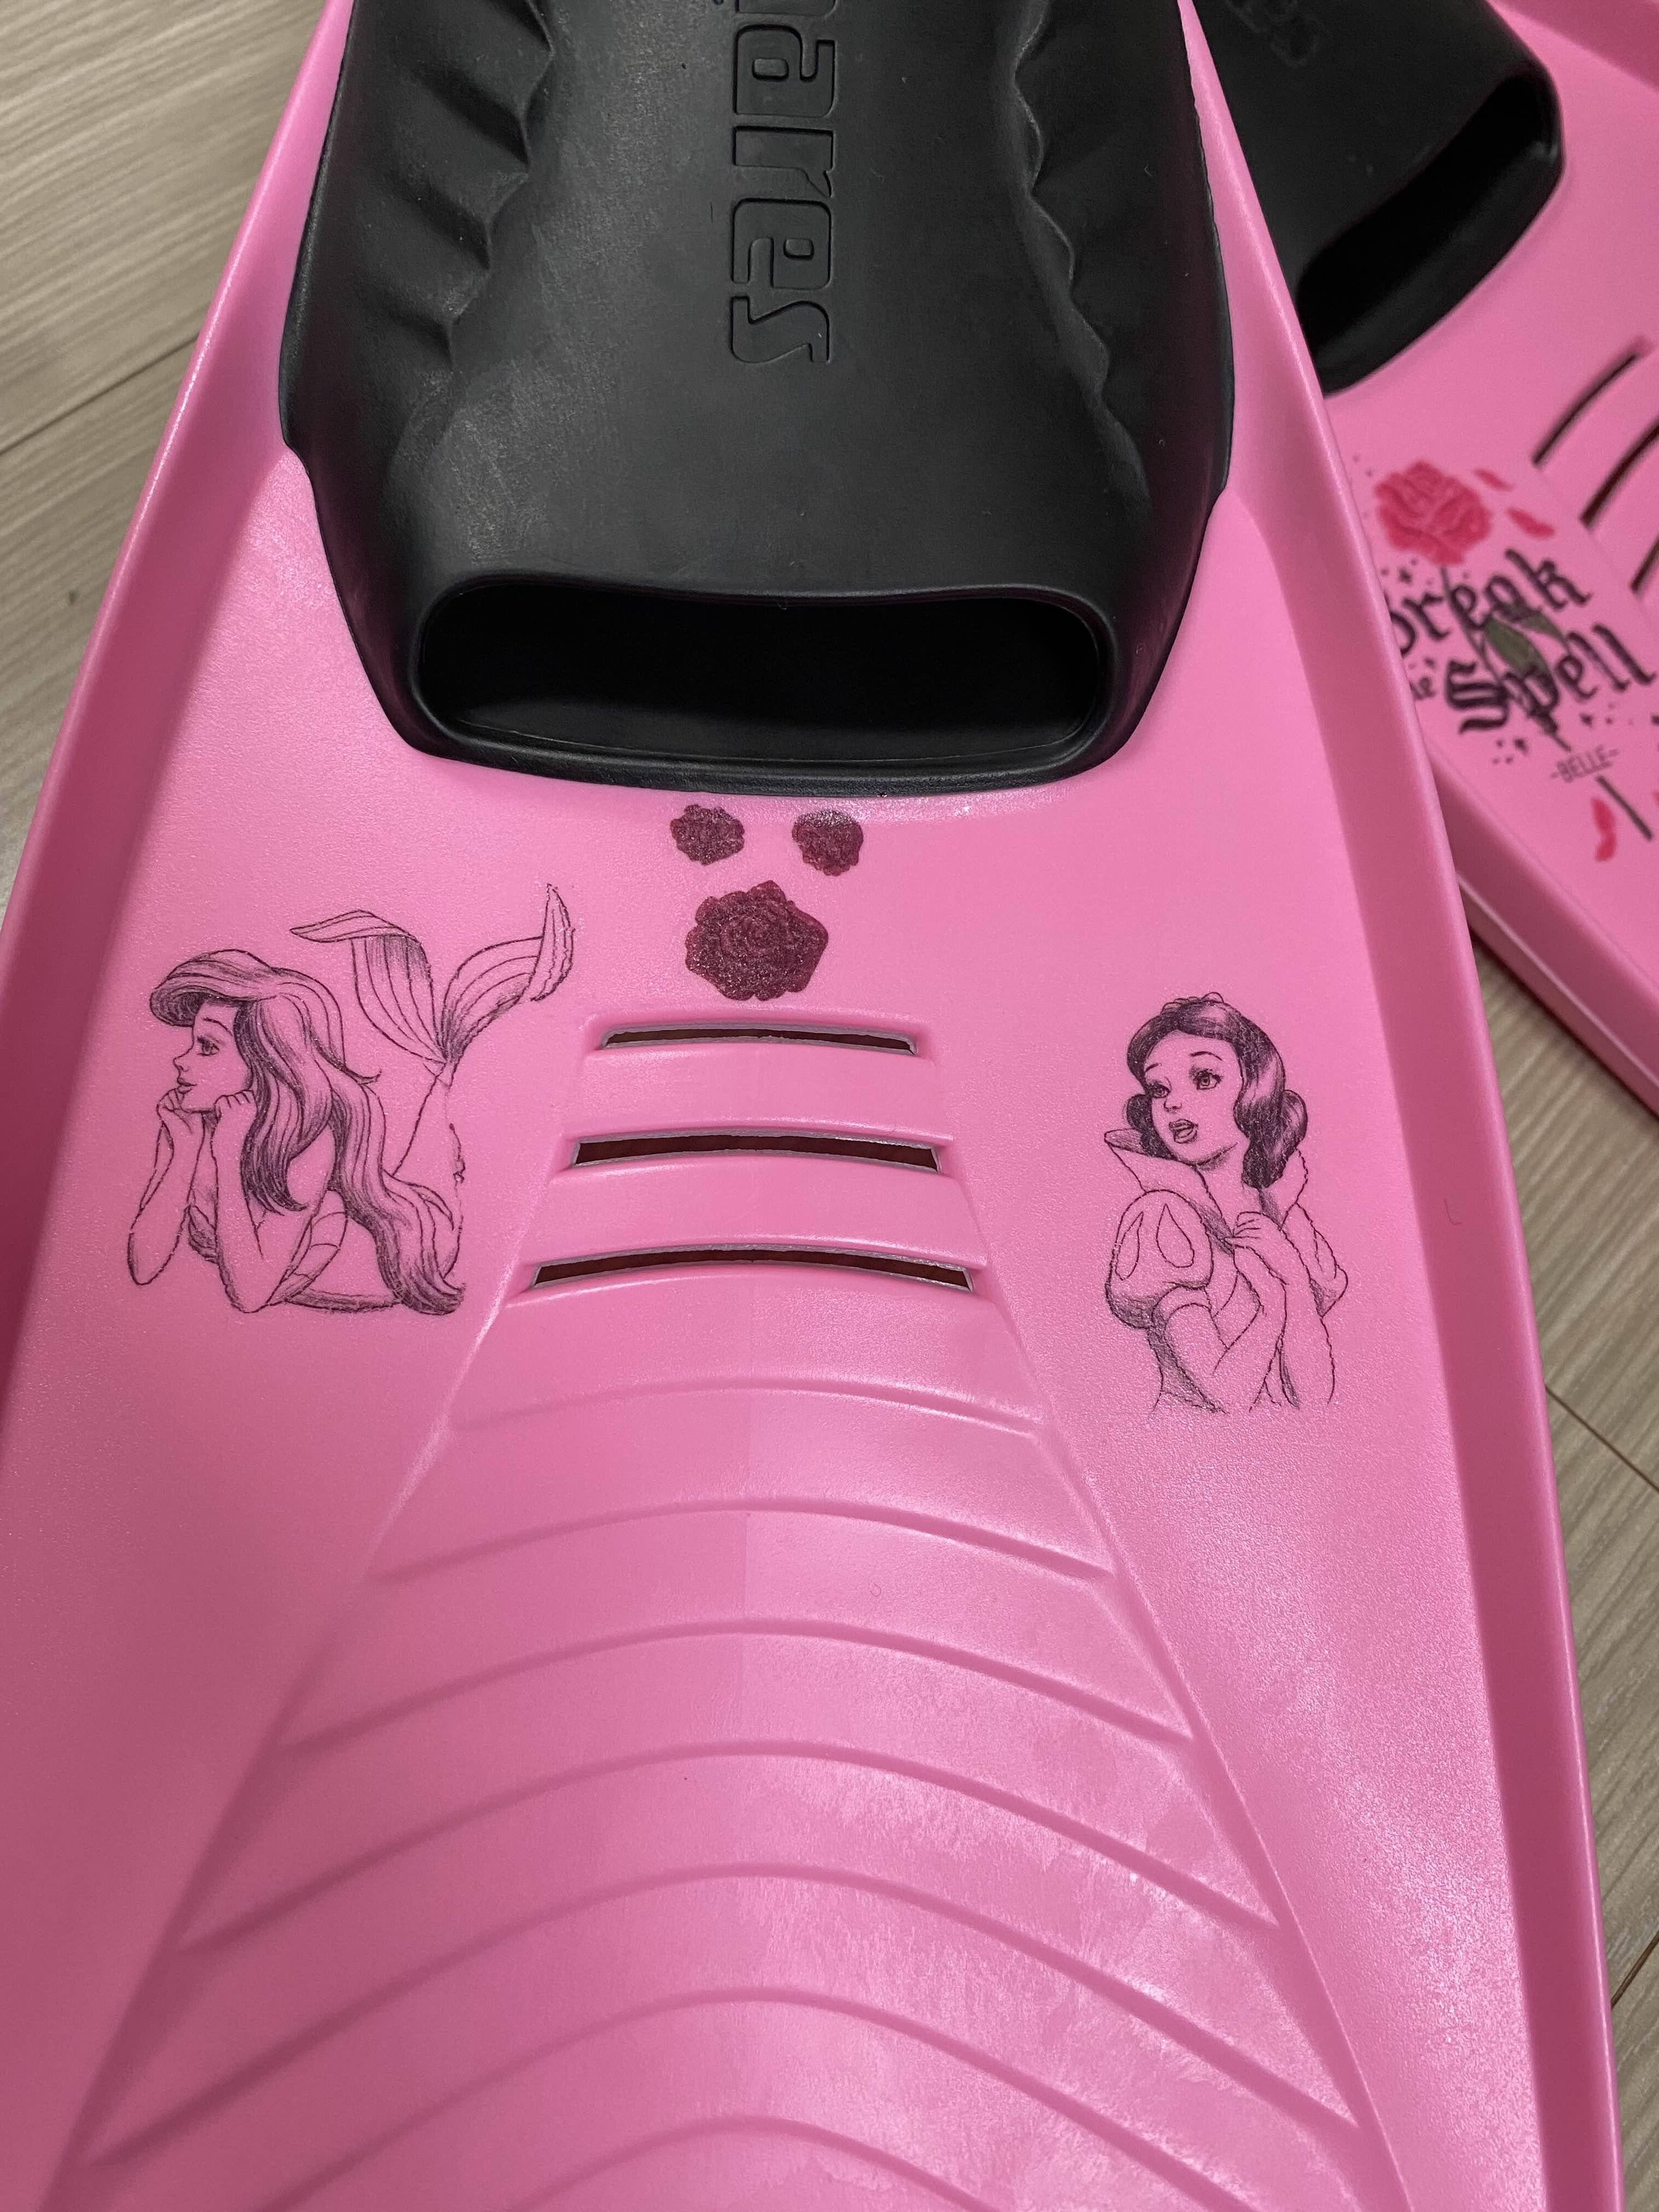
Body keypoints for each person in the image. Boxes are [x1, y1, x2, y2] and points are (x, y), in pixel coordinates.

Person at [1105, 994, 1345, 1410]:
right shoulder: (1163, 1217)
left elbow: (1314, 1400)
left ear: (1254, 1088)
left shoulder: (1288, 1219)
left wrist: (1294, 1280)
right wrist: (1273, 1306)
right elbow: (1227, 1395)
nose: (1173, 1103)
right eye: (1159, 1089)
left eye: (1204, 1078)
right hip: (1187, 1443)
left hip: (1286, 1443)